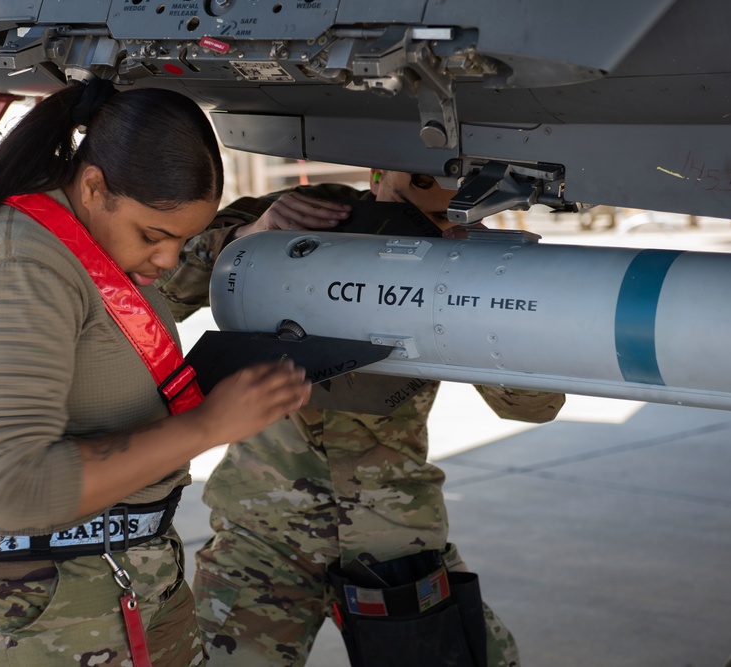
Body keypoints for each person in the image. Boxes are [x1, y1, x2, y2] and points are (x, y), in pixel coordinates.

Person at [0, 80, 312, 667]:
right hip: (38, 606)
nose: (167, 260)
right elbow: (14, 486)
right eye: (154, 236)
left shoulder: (85, 241)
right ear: (93, 185)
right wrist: (207, 426)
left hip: (124, 574)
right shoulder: (18, 268)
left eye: (182, 241)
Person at [157, 169, 566, 666]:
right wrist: (245, 242)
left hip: (394, 540)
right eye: (420, 191)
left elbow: (532, 407)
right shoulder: (298, 217)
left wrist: (483, 307)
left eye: (446, 212)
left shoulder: (453, 261)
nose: (429, 225)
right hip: (264, 536)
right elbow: (160, 292)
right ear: (379, 175)